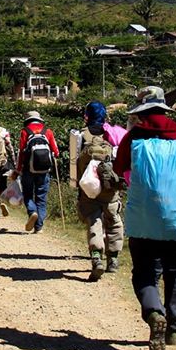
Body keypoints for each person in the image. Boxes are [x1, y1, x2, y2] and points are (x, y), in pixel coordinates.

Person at [114, 86, 176, 350]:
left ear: (141, 112)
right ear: (164, 108)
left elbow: (120, 169)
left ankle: (155, 312)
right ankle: (174, 329)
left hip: (143, 221)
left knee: (144, 272)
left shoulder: (133, 138)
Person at [74, 101, 124, 282]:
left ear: (87, 116)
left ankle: (96, 258)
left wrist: (77, 187)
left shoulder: (80, 135)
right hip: (110, 187)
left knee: (93, 221)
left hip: (88, 188)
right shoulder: (115, 133)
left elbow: (74, 165)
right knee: (114, 221)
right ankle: (114, 260)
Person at [10, 110, 59, 233]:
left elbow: (21, 152)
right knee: (41, 198)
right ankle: (39, 227)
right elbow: (56, 152)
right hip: (44, 171)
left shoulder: (25, 131)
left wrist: (17, 170)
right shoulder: (47, 131)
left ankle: (32, 212)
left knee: (27, 194)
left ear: (28, 120)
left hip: (28, 170)